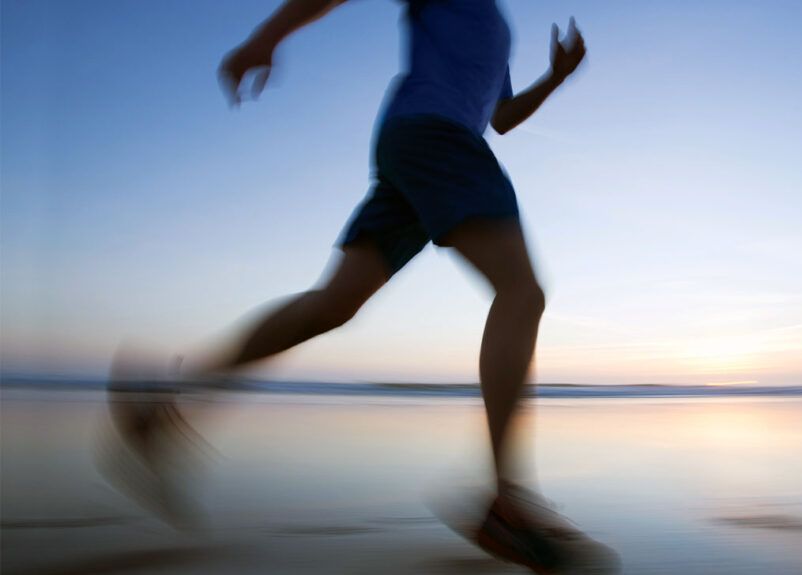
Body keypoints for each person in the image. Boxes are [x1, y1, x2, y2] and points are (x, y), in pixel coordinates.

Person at [103, 0, 617, 572]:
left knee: (333, 305)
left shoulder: (496, 24)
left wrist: (555, 78)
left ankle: (165, 409)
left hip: (419, 148)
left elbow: (500, 115)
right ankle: (506, 501)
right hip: (436, 140)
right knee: (522, 292)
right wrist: (266, 37)